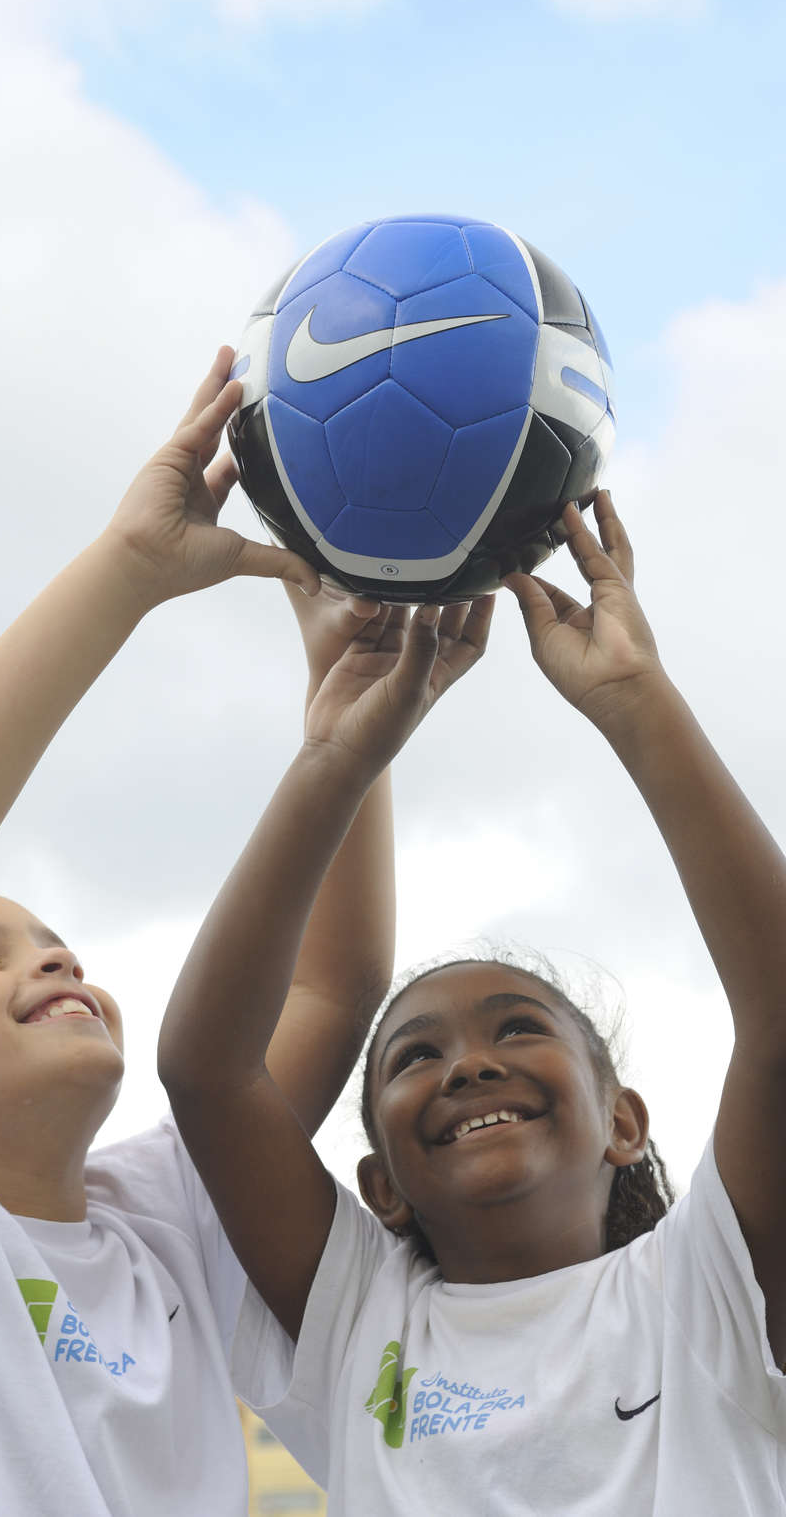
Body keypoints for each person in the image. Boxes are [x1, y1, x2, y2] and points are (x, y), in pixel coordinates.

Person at [0, 351, 413, 1516]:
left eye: (54, 940)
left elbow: (331, 990)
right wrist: (129, 570)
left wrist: (344, 732)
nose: (52, 959)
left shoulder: (159, 1227)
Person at [159, 491, 786, 1514]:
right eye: (412, 1057)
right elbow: (208, 1072)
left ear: (621, 1121)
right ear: (382, 1188)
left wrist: (635, 696)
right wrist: (337, 755)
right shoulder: (362, 1321)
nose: (467, 1065)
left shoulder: (702, 1294)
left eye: (519, 1029)